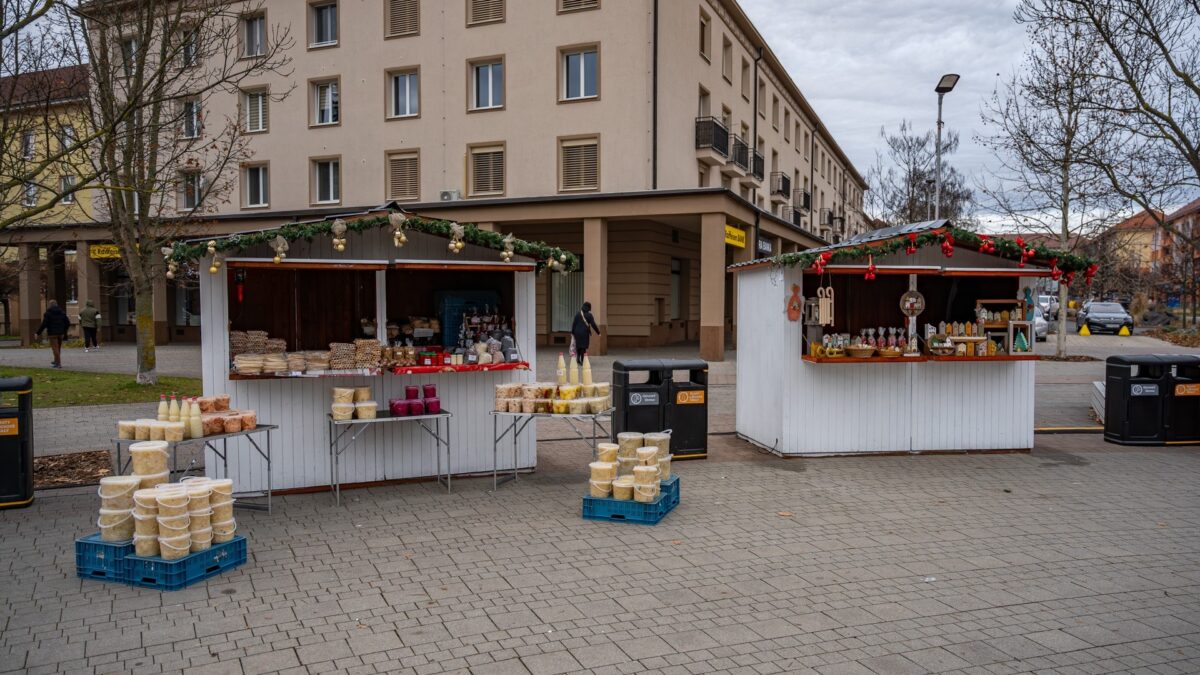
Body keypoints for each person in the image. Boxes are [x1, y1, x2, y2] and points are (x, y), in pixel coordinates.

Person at [36, 300, 71, 368]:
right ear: (56, 305)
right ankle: (56, 361)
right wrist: (64, 331)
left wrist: (38, 333)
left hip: (52, 333)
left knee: (55, 348)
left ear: (50, 305)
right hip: (60, 333)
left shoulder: (48, 313)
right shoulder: (62, 312)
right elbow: (68, 323)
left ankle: (58, 363)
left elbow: (44, 324)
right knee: (58, 348)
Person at [571, 301, 601, 365]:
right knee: (583, 347)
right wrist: (598, 332)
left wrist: (572, 332)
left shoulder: (578, 314)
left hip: (577, 332)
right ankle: (582, 360)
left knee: (578, 345)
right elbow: (593, 324)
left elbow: (574, 324)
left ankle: (578, 359)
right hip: (584, 333)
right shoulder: (589, 315)